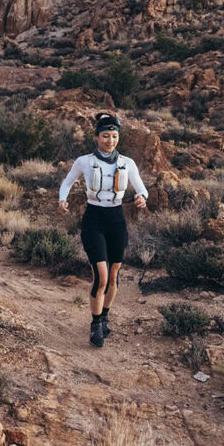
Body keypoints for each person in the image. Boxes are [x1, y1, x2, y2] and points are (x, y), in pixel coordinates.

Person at [58, 112, 148, 348]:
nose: (110, 140)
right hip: (94, 220)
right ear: (97, 137)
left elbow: (141, 187)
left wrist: (142, 198)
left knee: (115, 275)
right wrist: (62, 200)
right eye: (105, 136)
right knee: (101, 276)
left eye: (114, 136)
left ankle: (105, 315)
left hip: (117, 220)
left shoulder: (127, 163)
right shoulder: (84, 161)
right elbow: (67, 182)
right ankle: (95, 324)